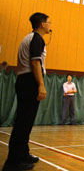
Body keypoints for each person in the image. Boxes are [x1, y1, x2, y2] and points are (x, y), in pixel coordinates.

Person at [2, 13, 51, 171]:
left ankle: (23, 153)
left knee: (26, 121)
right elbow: (35, 62)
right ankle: (13, 161)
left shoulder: (29, 38)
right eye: (49, 22)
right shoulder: (37, 39)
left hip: (25, 81)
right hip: (29, 81)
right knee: (23, 123)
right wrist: (41, 85)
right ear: (43, 24)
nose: (51, 25)